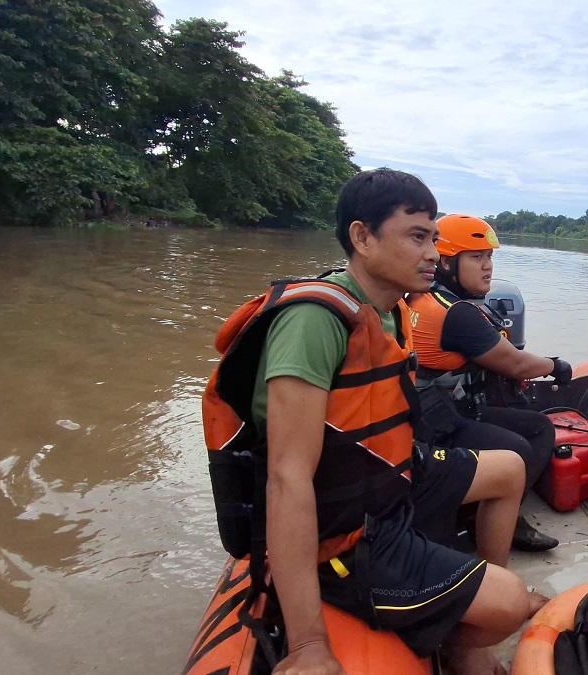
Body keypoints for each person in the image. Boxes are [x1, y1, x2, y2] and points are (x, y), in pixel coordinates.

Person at [202, 169, 542, 675]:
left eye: (434, 237)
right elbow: (287, 476)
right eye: (417, 236)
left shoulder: (391, 311)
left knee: (509, 469)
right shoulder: (314, 322)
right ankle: (472, 626)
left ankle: (466, 632)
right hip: (344, 527)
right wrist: (307, 646)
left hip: (386, 478)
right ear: (362, 237)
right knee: (511, 603)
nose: (432, 252)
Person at [406, 214, 572, 552]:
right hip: (439, 424)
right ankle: (485, 520)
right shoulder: (458, 314)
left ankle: (496, 513)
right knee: (519, 448)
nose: (487, 266)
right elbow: (515, 363)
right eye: (476, 256)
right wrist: (555, 366)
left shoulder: (423, 298)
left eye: (490, 256)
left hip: (432, 413)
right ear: (448, 262)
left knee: (538, 427)